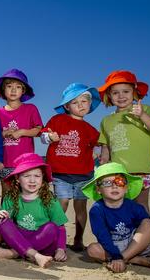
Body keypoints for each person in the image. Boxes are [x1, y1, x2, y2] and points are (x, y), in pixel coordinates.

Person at [41, 83, 101, 252]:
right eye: (75, 102)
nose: (81, 105)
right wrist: (49, 137)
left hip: (84, 174)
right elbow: (43, 136)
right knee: (62, 203)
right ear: (67, 106)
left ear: (90, 105)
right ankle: (55, 237)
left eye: (84, 101)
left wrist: (97, 152)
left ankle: (78, 239)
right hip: (61, 173)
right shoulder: (57, 120)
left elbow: (98, 146)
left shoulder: (91, 129)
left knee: (81, 208)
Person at [83, 162, 150, 273]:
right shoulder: (96, 210)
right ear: (98, 189)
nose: (114, 186)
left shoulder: (134, 207)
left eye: (119, 182)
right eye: (107, 183)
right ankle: (133, 259)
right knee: (92, 250)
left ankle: (124, 258)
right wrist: (115, 255)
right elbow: (103, 236)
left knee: (149, 224)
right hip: (112, 245)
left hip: (137, 243)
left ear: (126, 188)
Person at [0, 153, 68, 268]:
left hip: (44, 245)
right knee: (1, 220)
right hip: (21, 239)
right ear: (17, 179)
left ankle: (13, 253)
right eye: (26, 176)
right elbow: (7, 226)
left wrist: (61, 248)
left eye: (37, 176)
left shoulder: (50, 199)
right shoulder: (11, 197)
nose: (32, 180)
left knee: (51, 227)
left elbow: (60, 227)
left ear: (43, 178)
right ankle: (35, 256)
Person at [98, 70, 150, 213]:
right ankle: (130, 234)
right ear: (109, 95)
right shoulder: (106, 120)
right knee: (122, 206)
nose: (121, 96)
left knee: (141, 205)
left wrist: (142, 115)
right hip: (119, 171)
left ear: (134, 92)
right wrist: (104, 161)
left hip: (142, 169)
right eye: (115, 93)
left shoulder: (145, 109)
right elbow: (106, 145)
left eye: (126, 91)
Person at [0, 69, 43, 195]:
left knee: (25, 194)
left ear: (23, 90)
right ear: (3, 90)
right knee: (7, 194)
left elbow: (38, 130)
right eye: (9, 86)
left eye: (18, 87)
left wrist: (21, 132)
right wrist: (3, 134)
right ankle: (5, 216)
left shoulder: (30, 109)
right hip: (5, 163)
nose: (13, 90)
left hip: (25, 162)